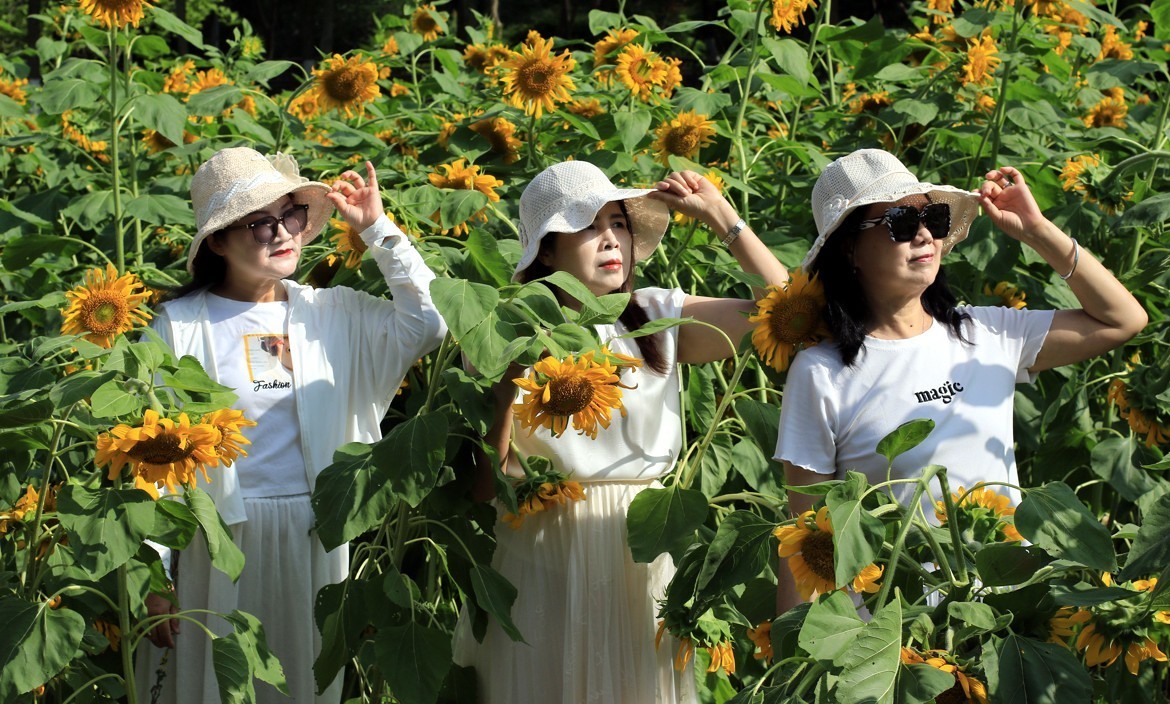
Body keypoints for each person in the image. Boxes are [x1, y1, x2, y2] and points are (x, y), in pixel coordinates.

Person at [453, 160, 789, 703]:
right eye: (589, 226)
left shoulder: (656, 315)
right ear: (545, 248)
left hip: (641, 546)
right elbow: (486, 487)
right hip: (541, 548)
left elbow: (788, 310)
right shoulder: (505, 328)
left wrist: (719, 214)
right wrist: (503, 395)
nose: (611, 239)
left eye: (620, 223)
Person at [774, 148, 1146, 610]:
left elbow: (1122, 320)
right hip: (893, 635)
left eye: (932, 216)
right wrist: (793, 659)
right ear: (849, 249)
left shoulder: (986, 333)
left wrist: (1038, 233)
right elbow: (806, 530)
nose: (925, 234)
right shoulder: (823, 373)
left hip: (1004, 616)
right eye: (901, 224)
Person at [137, 147, 446, 703]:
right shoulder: (178, 327)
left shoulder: (334, 314)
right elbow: (152, 460)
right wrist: (156, 575)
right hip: (216, 541)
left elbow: (429, 322)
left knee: (304, 684)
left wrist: (378, 230)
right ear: (217, 241)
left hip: (314, 532)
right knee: (217, 682)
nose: (282, 234)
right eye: (259, 223)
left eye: (292, 216)